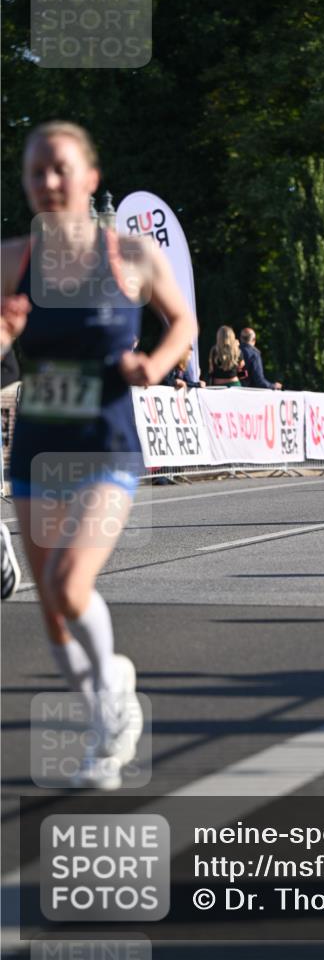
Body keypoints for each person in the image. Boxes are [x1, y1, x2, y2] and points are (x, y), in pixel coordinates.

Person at [1, 121, 196, 789]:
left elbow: (184, 324)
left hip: (107, 445)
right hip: (36, 444)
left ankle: (113, 711)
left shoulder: (133, 255)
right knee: (52, 611)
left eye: (60, 169)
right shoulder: (11, 261)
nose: (48, 183)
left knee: (68, 586)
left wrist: (158, 364)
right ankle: (106, 720)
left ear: (88, 177)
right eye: (35, 173)